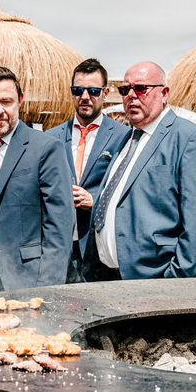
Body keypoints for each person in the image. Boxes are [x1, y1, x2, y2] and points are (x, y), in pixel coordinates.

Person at [84, 61, 196, 281]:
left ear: (164, 93)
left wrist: (174, 281)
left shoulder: (187, 138)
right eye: (125, 90)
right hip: (109, 277)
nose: (131, 96)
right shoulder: (127, 138)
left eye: (141, 88)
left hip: (154, 281)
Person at [0, 66, 74, 295]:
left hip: (25, 279)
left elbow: (60, 224)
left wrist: (47, 287)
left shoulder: (45, 148)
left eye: (6, 101)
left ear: (20, 100)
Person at [47, 58, 129, 282]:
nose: (84, 97)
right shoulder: (50, 139)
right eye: (78, 90)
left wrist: (94, 199)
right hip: (60, 250)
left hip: (98, 250)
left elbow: (127, 191)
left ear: (105, 92)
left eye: (92, 90)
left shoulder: (123, 137)